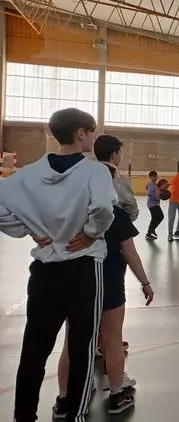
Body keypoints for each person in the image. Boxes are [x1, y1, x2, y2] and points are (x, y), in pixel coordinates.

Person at [0, 107, 116, 422]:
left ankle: (24, 416)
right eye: (92, 131)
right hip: (82, 269)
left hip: (44, 273)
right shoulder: (95, 172)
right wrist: (92, 234)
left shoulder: (28, 174)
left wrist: (26, 228)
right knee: (81, 348)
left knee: (34, 350)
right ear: (81, 132)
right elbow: (105, 208)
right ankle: (76, 416)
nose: (94, 136)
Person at [53, 135, 155, 417]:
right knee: (112, 340)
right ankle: (116, 394)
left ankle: (65, 399)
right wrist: (145, 283)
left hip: (74, 283)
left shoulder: (72, 214)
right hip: (109, 284)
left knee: (72, 341)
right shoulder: (115, 216)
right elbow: (130, 254)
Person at [145, 171, 164, 240]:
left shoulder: (154, 184)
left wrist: (159, 193)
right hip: (152, 204)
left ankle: (151, 230)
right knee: (160, 216)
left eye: (156, 176)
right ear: (150, 177)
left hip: (154, 204)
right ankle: (149, 233)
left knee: (155, 218)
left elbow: (155, 192)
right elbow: (150, 193)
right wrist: (156, 197)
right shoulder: (151, 184)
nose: (155, 178)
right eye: (153, 176)